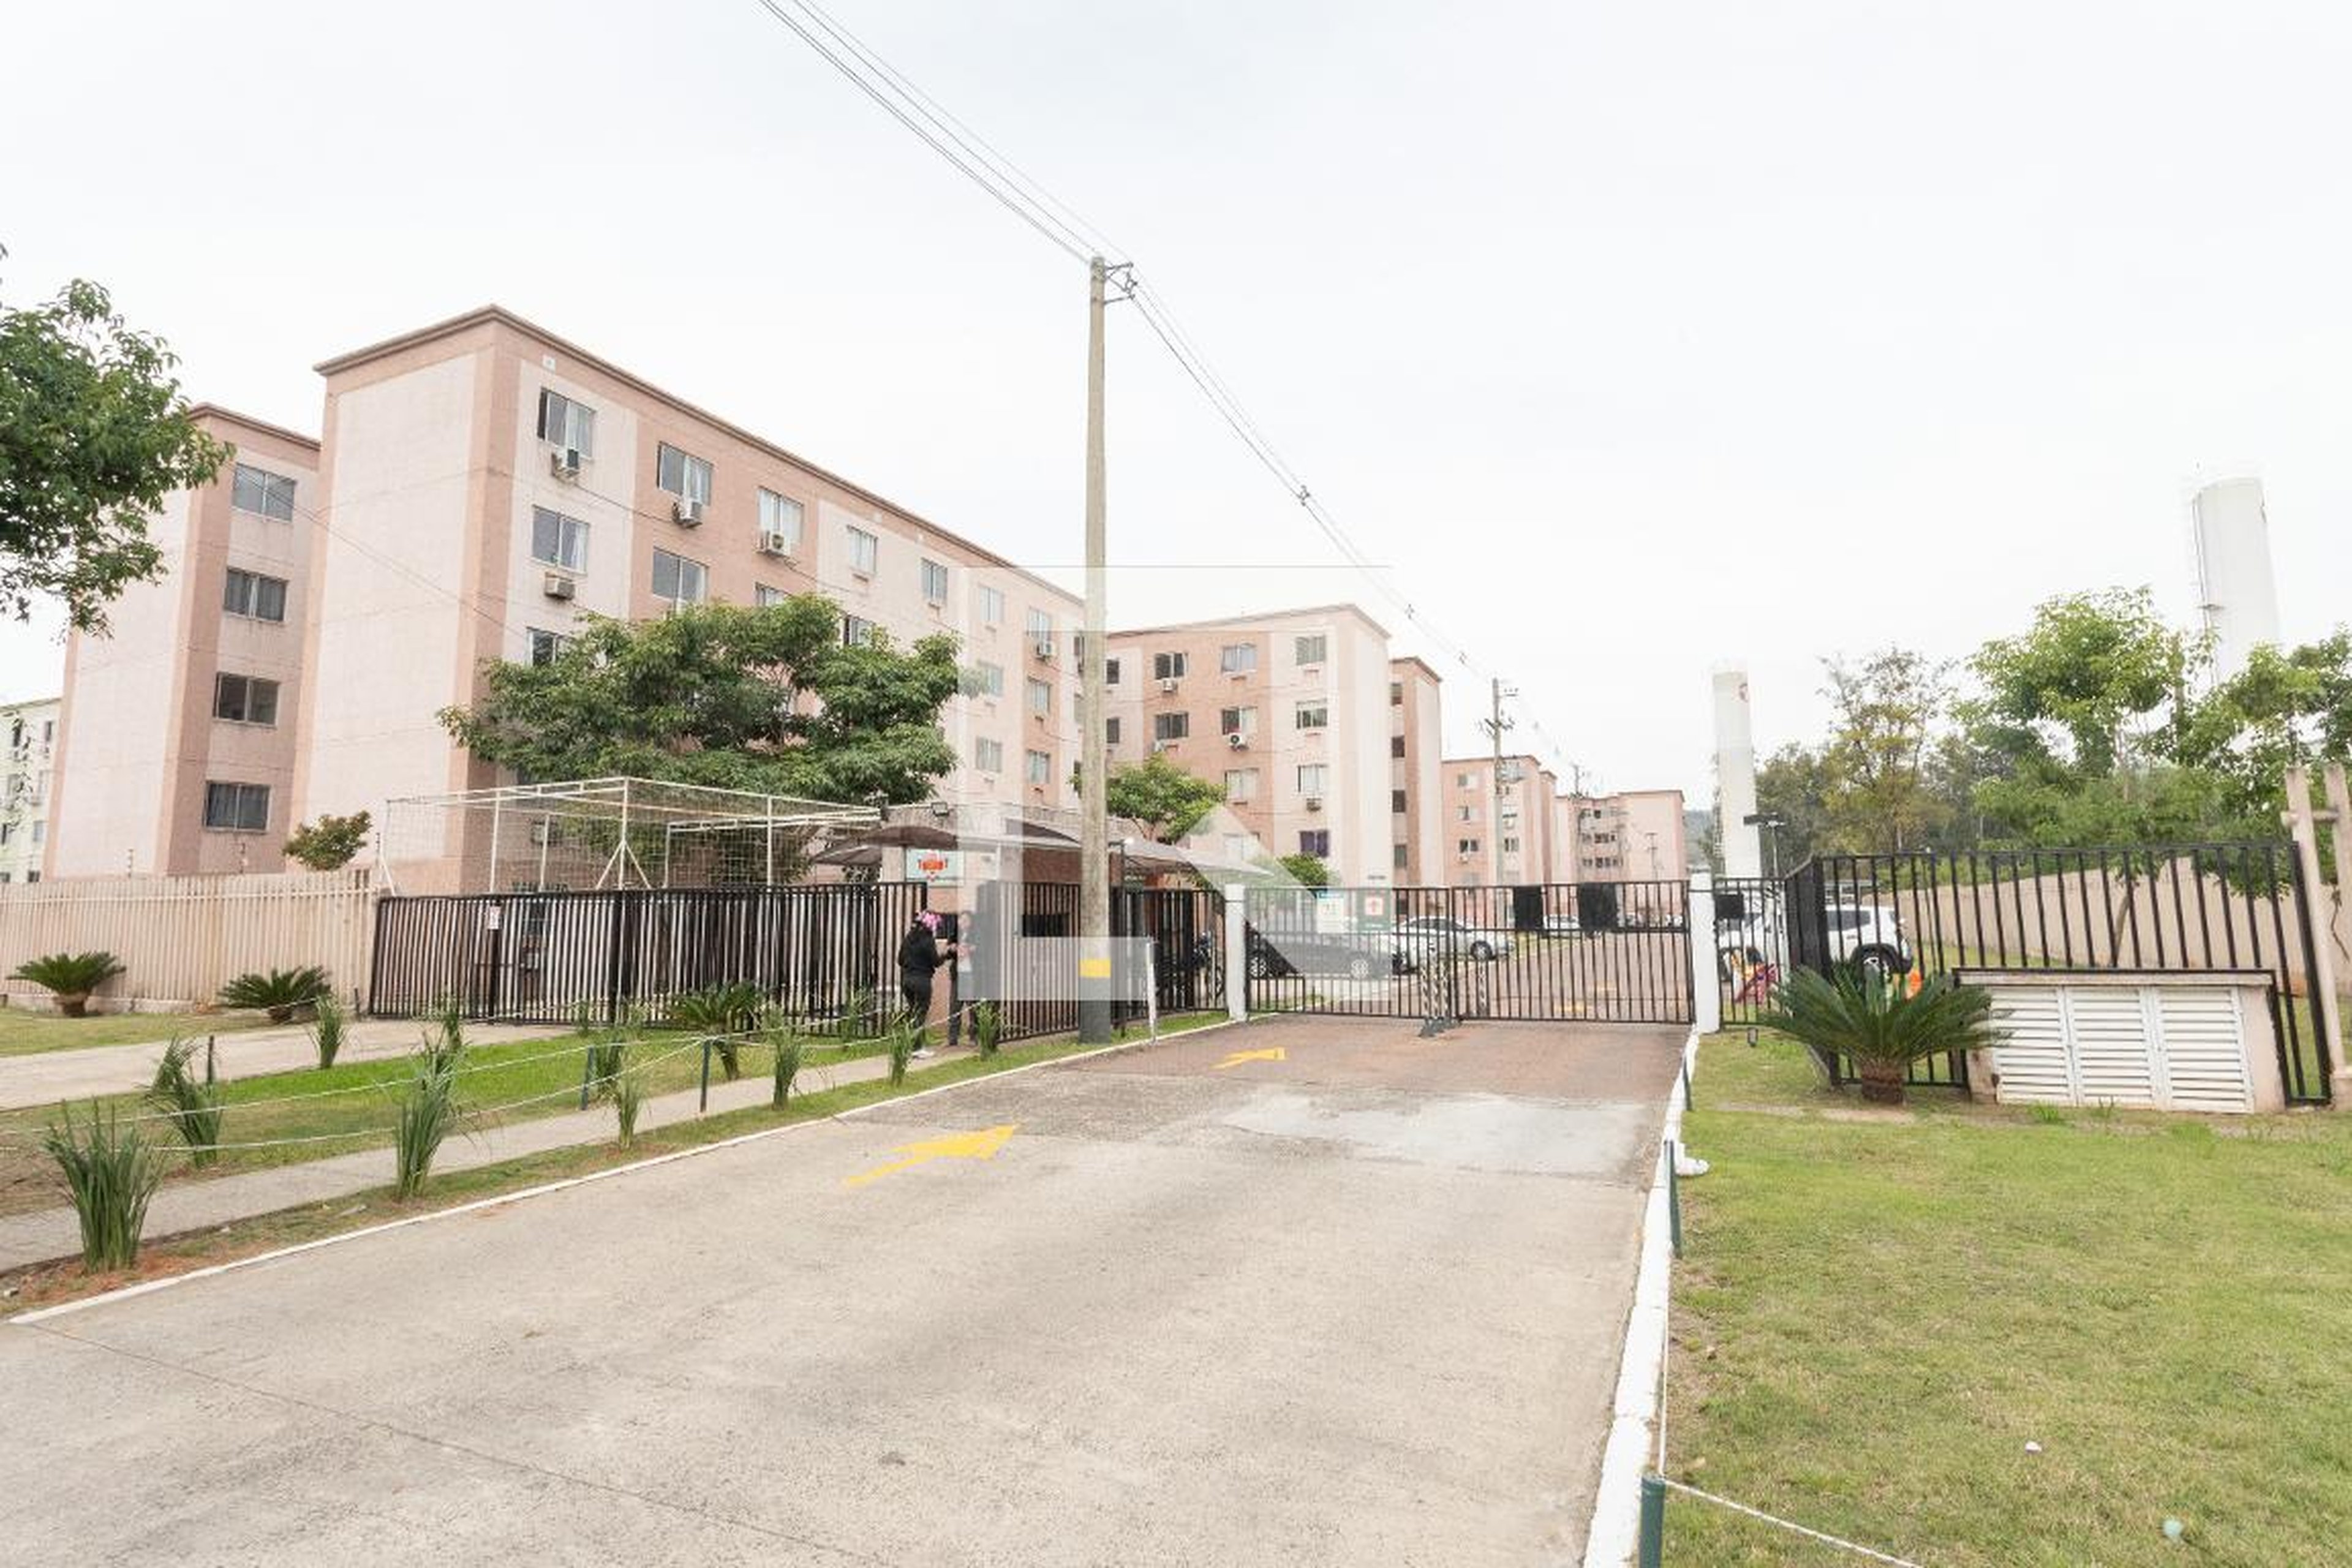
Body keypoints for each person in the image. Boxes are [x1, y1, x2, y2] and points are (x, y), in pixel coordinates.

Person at [896, 910, 953, 1057]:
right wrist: (948, 955)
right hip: (921, 981)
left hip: (907, 980)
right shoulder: (928, 940)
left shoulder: (909, 937)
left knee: (912, 1013)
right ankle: (917, 1049)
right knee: (920, 1014)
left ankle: (908, 1045)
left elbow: (900, 960)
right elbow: (936, 962)